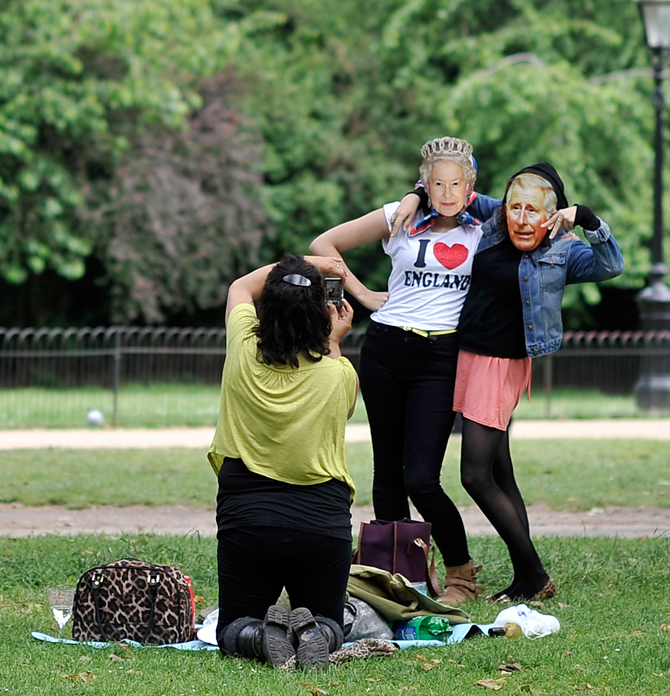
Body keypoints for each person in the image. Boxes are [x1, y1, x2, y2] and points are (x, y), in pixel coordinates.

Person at [394, 162, 624, 603]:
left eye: (534, 210)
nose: (521, 217)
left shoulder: (563, 251)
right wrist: (415, 195)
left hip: (499, 366)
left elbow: (612, 264)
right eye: (515, 206)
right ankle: (526, 574)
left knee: (475, 475)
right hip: (464, 356)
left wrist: (589, 218)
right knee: (503, 472)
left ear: (553, 214)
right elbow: (450, 190)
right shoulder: (496, 220)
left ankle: (534, 574)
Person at [310, 136, 484, 606]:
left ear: (470, 187)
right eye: (436, 183)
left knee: (421, 478)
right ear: (424, 185)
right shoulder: (399, 215)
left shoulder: (483, 227)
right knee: (386, 473)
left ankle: (461, 576)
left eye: (456, 183)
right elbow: (322, 245)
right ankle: (396, 578)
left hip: (441, 356)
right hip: (386, 347)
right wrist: (357, 297)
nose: (446, 193)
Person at [208, 253, 358, 669]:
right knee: (331, 620)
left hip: (249, 526)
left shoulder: (240, 350)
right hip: (321, 530)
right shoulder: (338, 373)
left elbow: (240, 285)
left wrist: (308, 262)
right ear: (321, 317)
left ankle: (258, 636)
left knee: (232, 627)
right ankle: (316, 633)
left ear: (265, 308)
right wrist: (333, 341)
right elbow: (343, 406)